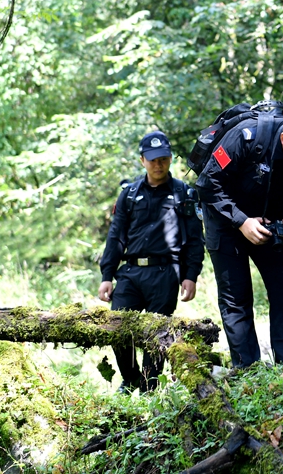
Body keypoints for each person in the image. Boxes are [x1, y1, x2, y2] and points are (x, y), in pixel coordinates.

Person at [195, 106, 283, 368]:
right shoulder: (246, 137)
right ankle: (248, 370)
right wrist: (241, 221)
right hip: (225, 218)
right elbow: (207, 184)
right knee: (236, 298)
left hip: (271, 216)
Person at [98, 130, 205, 392]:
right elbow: (116, 237)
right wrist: (106, 276)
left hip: (165, 273)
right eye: (153, 159)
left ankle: (149, 389)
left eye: (164, 159)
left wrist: (191, 275)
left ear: (170, 159)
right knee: (117, 328)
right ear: (142, 160)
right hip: (131, 273)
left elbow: (194, 239)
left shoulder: (183, 193)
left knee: (156, 335)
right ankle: (131, 377)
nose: (159, 165)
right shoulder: (129, 195)